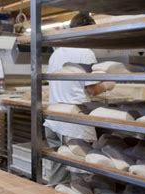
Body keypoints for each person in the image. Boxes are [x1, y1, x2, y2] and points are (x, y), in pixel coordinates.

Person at [44, 12, 115, 185]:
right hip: (74, 126)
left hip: (54, 122)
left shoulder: (57, 52)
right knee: (80, 181)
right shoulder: (85, 52)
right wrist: (110, 83)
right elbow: (92, 89)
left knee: (58, 177)